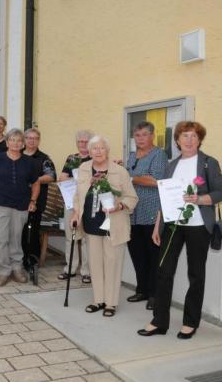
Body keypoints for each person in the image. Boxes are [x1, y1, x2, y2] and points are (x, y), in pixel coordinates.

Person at [138, 121, 222, 339]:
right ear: (177, 140)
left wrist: (200, 199)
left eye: (193, 136)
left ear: (199, 140)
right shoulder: (171, 165)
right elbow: (164, 196)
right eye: (184, 136)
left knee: (196, 274)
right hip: (173, 225)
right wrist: (158, 226)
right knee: (163, 272)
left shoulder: (208, 163)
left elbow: (220, 192)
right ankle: (159, 321)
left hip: (198, 226)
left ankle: (190, 322)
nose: (189, 140)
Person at [71, 135, 138, 317]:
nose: (98, 151)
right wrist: (76, 214)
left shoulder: (119, 171)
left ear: (107, 151)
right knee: (95, 264)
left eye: (102, 148)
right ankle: (98, 300)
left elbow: (131, 197)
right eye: (94, 148)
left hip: (113, 224)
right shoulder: (84, 169)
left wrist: (120, 206)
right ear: (89, 151)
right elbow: (78, 195)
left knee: (112, 263)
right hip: (91, 224)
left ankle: (111, 303)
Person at [0, 129, 41, 286]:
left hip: (20, 206)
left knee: (16, 239)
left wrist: (33, 201)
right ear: (7, 142)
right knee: (0, 239)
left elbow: (36, 183)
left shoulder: (29, 163)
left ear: (22, 144)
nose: (15, 143)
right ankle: (3, 271)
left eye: (19, 141)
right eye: (12, 140)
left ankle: (17, 268)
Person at [125, 122, 168, 310]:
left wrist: (131, 177)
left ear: (152, 136)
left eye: (144, 135)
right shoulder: (132, 156)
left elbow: (156, 180)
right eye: (137, 135)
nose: (140, 138)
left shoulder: (159, 154)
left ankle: (155, 295)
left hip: (152, 213)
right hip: (132, 213)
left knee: (153, 256)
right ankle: (142, 289)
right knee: (137, 254)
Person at [57, 129, 94, 283]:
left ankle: (86, 271)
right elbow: (62, 178)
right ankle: (70, 268)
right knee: (70, 236)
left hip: (89, 202)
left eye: (86, 141)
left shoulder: (95, 158)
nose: (83, 144)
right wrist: (78, 181)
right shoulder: (72, 158)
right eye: (80, 141)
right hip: (71, 201)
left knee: (86, 238)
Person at [21, 128, 56, 270]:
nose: (31, 140)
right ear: (24, 139)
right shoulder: (17, 155)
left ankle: (32, 260)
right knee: (19, 230)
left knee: (32, 231)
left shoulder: (44, 158)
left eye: (35, 138)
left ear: (39, 140)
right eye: (29, 138)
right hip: (18, 200)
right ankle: (20, 257)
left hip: (37, 201)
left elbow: (51, 176)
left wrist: (34, 180)